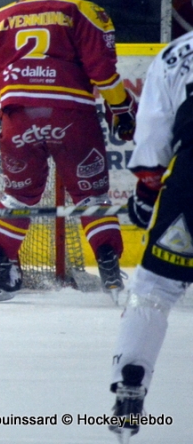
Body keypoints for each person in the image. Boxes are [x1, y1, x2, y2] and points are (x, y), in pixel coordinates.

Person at [0, 0, 137, 303]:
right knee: (90, 195)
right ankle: (109, 267)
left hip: (18, 116)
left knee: (18, 195)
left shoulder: (2, 16)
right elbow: (103, 73)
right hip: (71, 117)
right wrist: (122, 110)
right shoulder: (85, 11)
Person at [106, 30, 193, 441]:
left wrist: (146, 188)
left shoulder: (177, 54)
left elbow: (155, 127)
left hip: (191, 178)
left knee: (154, 288)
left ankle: (131, 379)